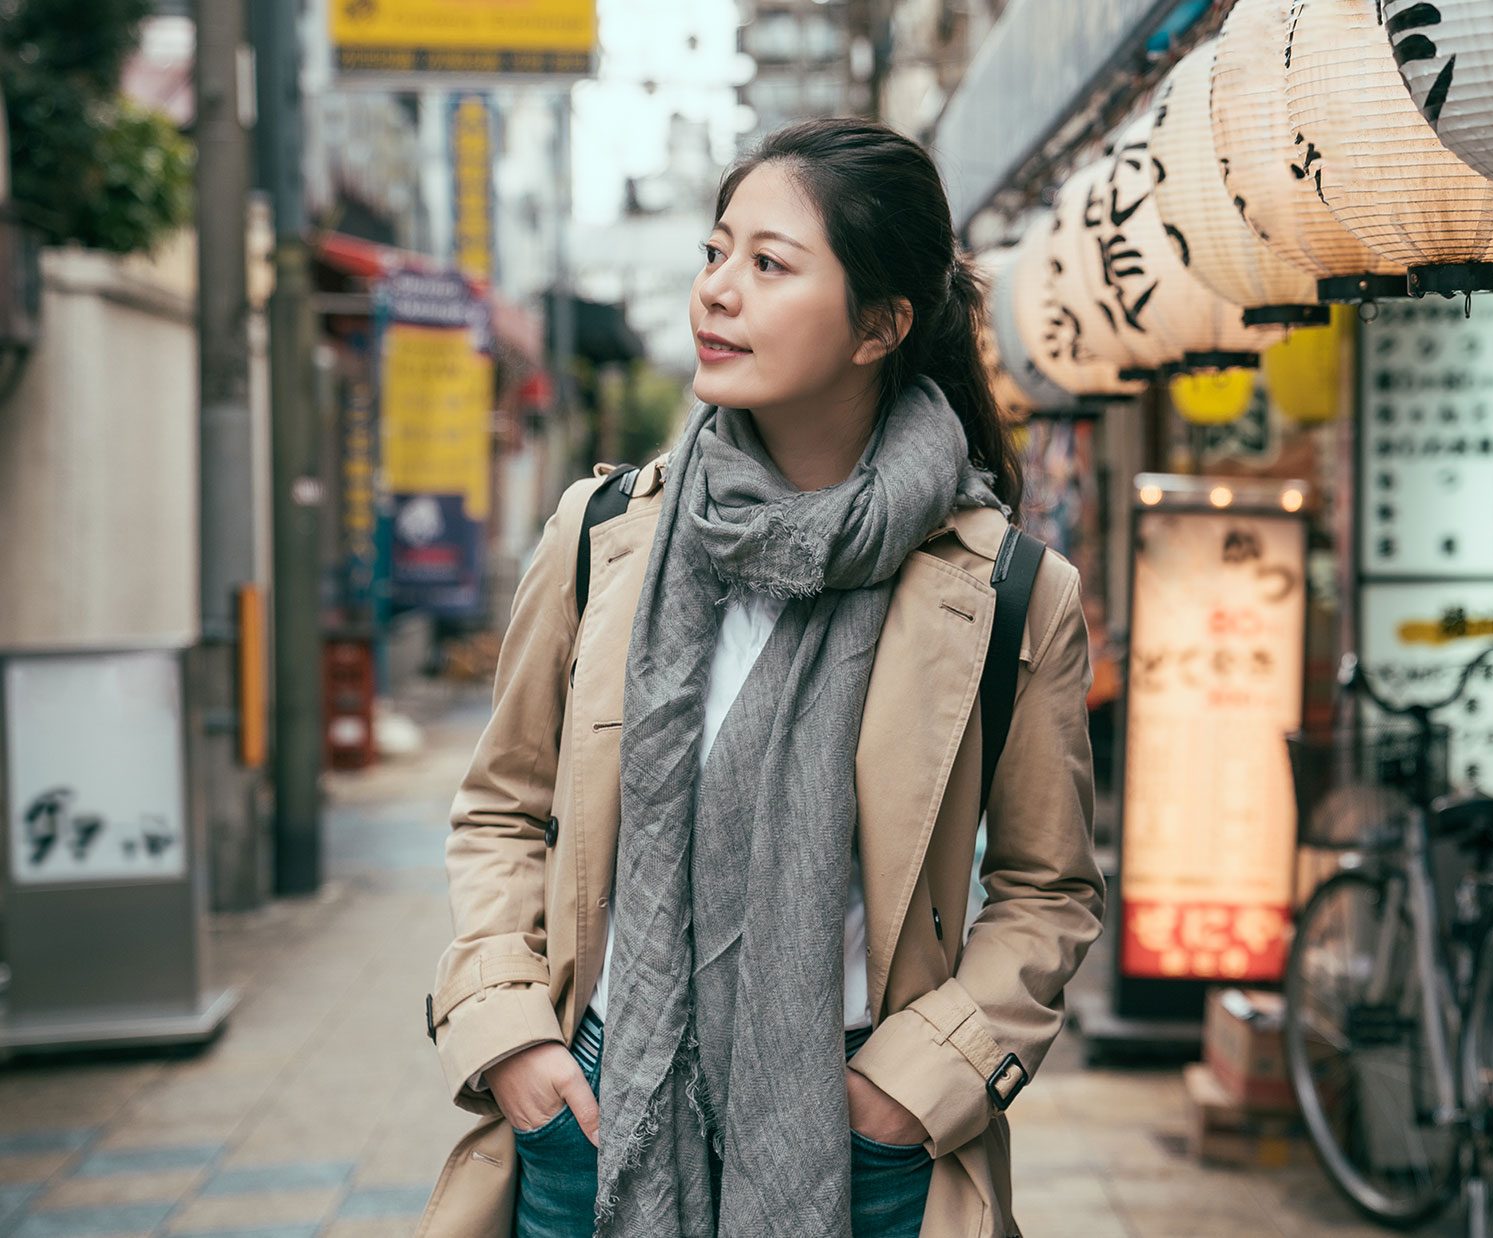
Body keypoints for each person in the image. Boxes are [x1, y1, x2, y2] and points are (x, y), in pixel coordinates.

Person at [416, 117, 1105, 1238]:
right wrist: (514, 1040)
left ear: (878, 325)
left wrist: (911, 1087)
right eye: (714, 252)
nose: (716, 293)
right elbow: (501, 805)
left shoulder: (1008, 593)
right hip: (595, 1113)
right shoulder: (601, 538)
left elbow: (1046, 888)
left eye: (768, 264)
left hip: (862, 1134)